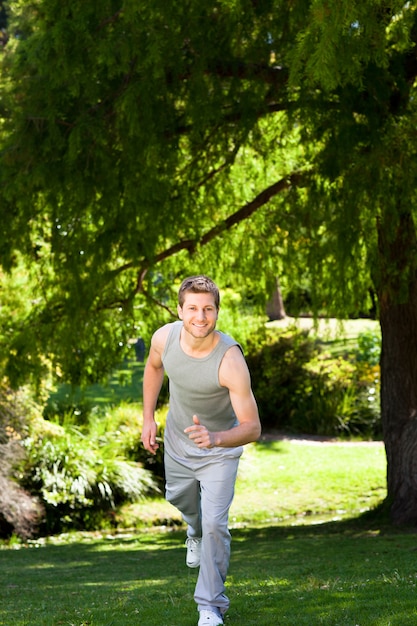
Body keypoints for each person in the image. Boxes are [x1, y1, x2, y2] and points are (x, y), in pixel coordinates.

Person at [141, 275, 261, 626]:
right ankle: (192, 532)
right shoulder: (164, 338)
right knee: (179, 499)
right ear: (179, 311)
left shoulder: (230, 360)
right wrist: (148, 418)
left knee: (215, 524)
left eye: (208, 309)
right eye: (192, 308)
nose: (200, 316)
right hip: (178, 443)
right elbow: (153, 368)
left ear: (217, 313)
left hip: (219, 451)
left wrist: (217, 438)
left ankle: (210, 606)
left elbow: (252, 427)